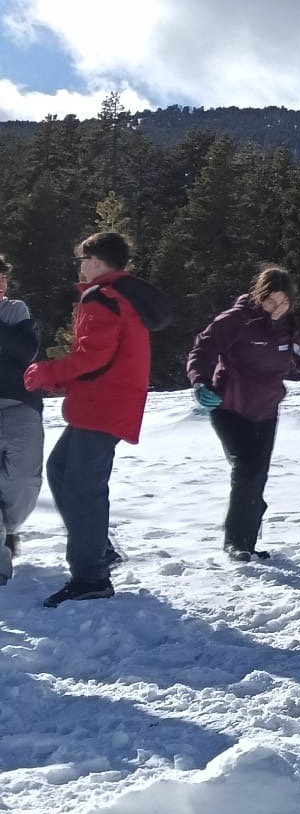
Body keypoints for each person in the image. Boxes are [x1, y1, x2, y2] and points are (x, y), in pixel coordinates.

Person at [21, 232, 169, 607]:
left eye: (82, 260)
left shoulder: (101, 297)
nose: (81, 267)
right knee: (60, 470)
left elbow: (92, 357)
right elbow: (104, 357)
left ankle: (91, 577)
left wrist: (48, 372)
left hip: (103, 403)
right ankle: (98, 550)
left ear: (97, 261)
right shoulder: (121, 295)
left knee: (83, 487)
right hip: (108, 401)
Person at [186, 267, 300, 562]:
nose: (277, 308)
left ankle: (246, 543)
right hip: (229, 408)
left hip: (266, 411)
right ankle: (236, 542)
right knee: (247, 467)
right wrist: (200, 383)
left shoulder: (289, 327)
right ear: (259, 296)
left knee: (256, 475)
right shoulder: (234, 321)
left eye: (284, 302)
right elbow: (202, 351)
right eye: (271, 301)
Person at [0, 254, 42, 585]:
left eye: (3, 279)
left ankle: (8, 529)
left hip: (19, 405)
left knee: (24, 482)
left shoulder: (15, 310)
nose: (1, 285)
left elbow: (25, 351)